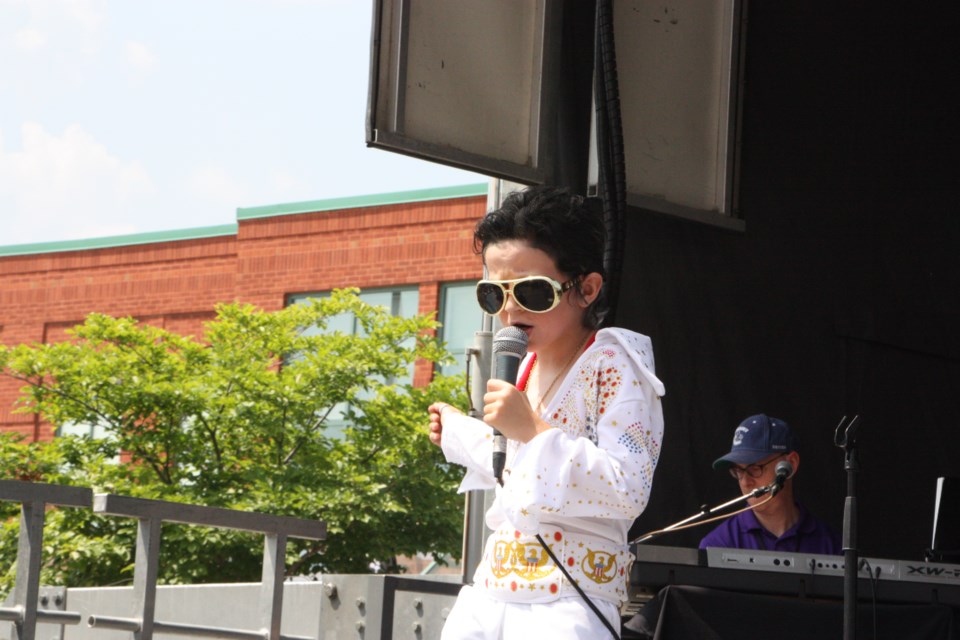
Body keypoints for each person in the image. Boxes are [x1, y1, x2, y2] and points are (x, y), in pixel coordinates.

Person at [427, 185, 666, 639]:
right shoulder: (524, 364)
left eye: (533, 292)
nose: (510, 309)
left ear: (587, 288)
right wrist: (462, 434)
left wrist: (534, 430)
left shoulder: (615, 364)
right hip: (491, 591)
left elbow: (628, 486)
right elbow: (517, 468)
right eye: (494, 294)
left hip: (568, 601)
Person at [699, 413, 841, 554]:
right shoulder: (718, 545)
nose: (745, 482)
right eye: (738, 471)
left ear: (790, 464)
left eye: (754, 469)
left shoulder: (831, 544)